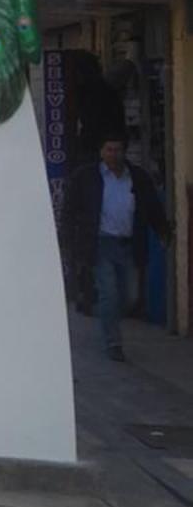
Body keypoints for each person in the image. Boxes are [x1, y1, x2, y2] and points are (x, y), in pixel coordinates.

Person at [64, 136, 170, 361]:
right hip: (101, 243)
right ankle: (113, 342)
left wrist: (163, 230)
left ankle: (101, 310)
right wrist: (68, 239)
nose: (114, 154)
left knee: (131, 297)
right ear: (101, 152)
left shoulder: (138, 178)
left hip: (129, 244)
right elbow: (70, 209)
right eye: (109, 149)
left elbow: (151, 206)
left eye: (118, 149)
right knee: (109, 293)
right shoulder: (87, 178)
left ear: (124, 152)